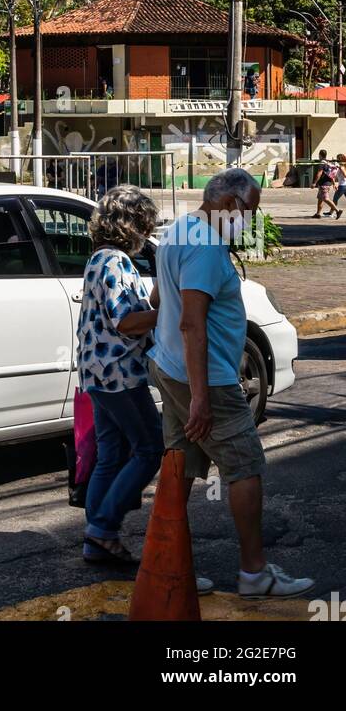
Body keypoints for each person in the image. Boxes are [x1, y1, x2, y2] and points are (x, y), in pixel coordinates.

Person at [149, 167, 314, 598]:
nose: (249, 222)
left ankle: (170, 566)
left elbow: (159, 298)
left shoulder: (180, 230)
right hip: (208, 379)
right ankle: (254, 572)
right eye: (248, 212)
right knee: (246, 467)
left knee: (180, 465)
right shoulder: (204, 246)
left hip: (171, 368)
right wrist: (203, 396)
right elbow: (191, 323)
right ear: (227, 204)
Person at [77, 186, 164, 567]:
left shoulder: (100, 258)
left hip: (99, 373)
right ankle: (101, 530)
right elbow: (126, 321)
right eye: (145, 224)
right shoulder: (114, 262)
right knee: (149, 448)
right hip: (119, 375)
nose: (148, 232)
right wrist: (172, 314)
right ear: (132, 225)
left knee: (111, 455)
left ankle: (98, 536)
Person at [312, 150, 337, 219]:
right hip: (328, 184)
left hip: (324, 184)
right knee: (320, 199)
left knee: (326, 199)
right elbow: (331, 175)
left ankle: (337, 211)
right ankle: (318, 214)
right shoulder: (328, 163)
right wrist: (334, 183)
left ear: (320, 155)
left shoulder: (322, 163)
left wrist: (314, 183)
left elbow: (319, 174)